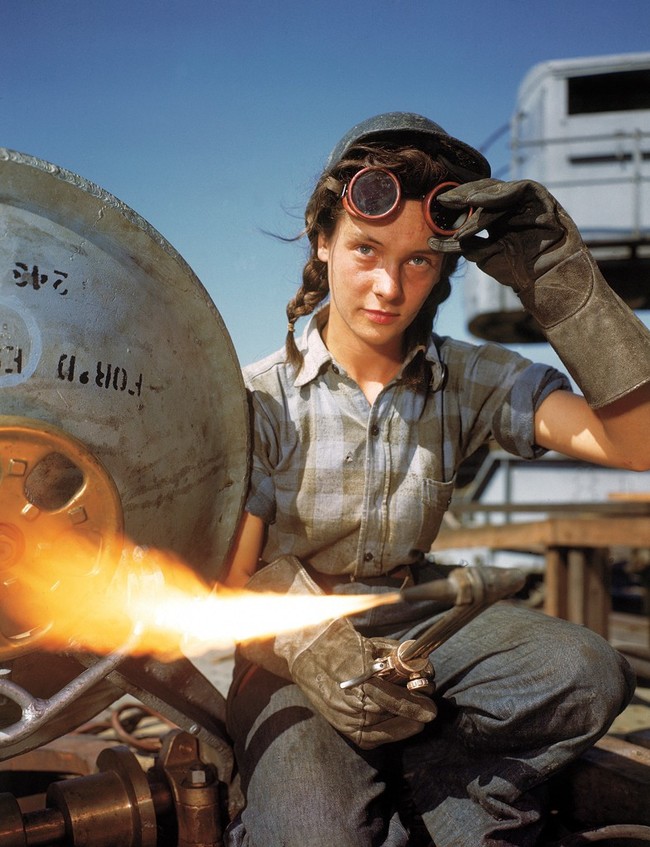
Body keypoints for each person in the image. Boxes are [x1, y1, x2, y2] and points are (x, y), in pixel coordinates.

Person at [223, 112, 649, 847]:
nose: (389, 285)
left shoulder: (469, 378)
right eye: (365, 248)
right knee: (318, 835)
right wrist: (305, 646)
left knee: (588, 672)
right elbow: (231, 584)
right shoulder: (258, 398)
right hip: (287, 643)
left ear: (444, 269)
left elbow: (635, 441)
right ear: (322, 242)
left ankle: (443, 791)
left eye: (420, 260)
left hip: (412, 621)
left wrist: (559, 280)